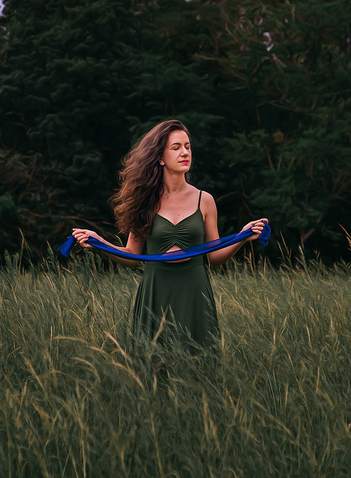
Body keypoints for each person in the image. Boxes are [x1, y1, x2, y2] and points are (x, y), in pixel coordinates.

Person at [71, 120, 267, 352]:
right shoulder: (144, 201)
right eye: (176, 147)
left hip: (194, 292)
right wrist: (99, 242)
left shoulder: (205, 200)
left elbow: (214, 257)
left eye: (188, 146)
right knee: (155, 361)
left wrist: (242, 237)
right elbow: (132, 255)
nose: (185, 152)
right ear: (160, 157)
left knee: (198, 360)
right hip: (156, 292)